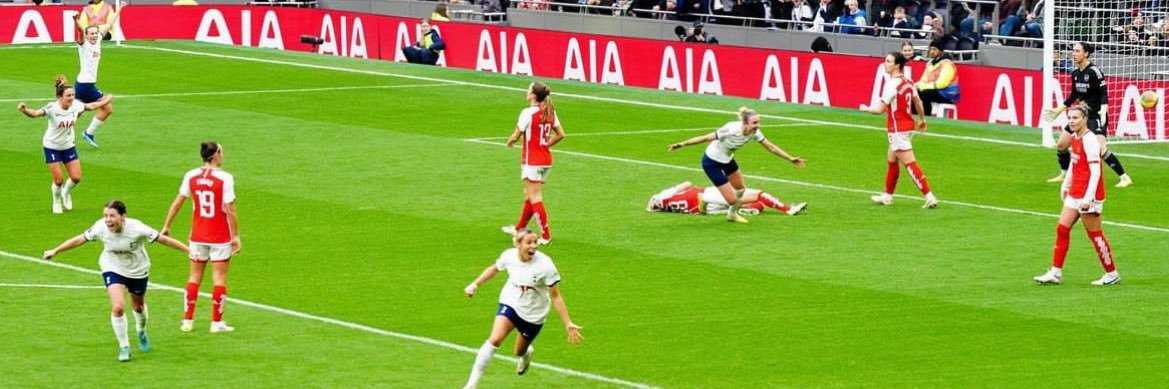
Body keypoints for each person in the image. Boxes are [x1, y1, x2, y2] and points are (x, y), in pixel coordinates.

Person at [42, 200, 191, 362]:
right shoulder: (100, 227)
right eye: (105, 215)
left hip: (137, 269)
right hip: (112, 267)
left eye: (112, 216)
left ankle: (141, 331)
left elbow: (164, 240)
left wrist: (188, 250)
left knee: (138, 307)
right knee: (118, 307)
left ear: (123, 217)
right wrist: (56, 250)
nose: (108, 220)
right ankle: (124, 346)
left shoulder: (137, 228)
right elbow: (80, 239)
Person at [461, 228, 584, 389]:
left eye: (535, 242)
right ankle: (471, 385)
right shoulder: (509, 256)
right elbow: (495, 269)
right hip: (511, 303)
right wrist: (475, 284)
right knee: (495, 339)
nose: (534, 246)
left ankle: (526, 354)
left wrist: (568, 323)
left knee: (519, 351)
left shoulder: (545, 265)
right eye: (529, 242)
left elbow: (555, 296)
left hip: (534, 314)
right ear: (518, 244)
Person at [668, 107, 807, 224]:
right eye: (754, 123)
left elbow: (770, 147)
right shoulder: (731, 129)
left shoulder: (755, 133)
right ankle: (705, 199)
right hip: (711, 162)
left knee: (740, 189)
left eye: (758, 122)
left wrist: (790, 158)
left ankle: (732, 214)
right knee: (732, 200)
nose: (757, 125)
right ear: (745, 123)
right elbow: (706, 138)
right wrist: (682, 144)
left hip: (727, 160)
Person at [1033, 104, 1120, 286]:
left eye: (1075, 118)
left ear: (1084, 119)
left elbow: (1096, 172)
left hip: (1089, 195)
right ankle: (1055, 273)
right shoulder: (1075, 137)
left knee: (1095, 235)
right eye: (1070, 118)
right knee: (1062, 229)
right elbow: (1075, 163)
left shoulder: (1090, 141)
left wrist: (1088, 199)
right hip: (1075, 192)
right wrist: (1066, 185)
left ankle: (1112, 273)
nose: (1071, 121)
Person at [161, 141, 241, 333]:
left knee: (194, 277)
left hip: (198, 234)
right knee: (219, 279)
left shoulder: (191, 175)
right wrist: (236, 235)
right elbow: (230, 209)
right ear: (216, 155)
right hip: (219, 235)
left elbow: (178, 202)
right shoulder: (225, 178)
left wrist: (167, 225)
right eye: (222, 152)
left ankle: (187, 321)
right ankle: (216, 323)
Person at [17, 76, 113, 214]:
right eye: (68, 95)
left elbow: (91, 106)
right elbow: (36, 113)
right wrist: (25, 110)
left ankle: (66, 192)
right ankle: (56, 201)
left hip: (68, 145)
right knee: (58, 180)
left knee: (76, 178)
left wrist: (105, 101)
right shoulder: (52, 108)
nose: (72, 98)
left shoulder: (76, 105)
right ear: (60, 97)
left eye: (73, 95)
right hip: (52, 146)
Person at [1042, 42, 1133, 188]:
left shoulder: (1094, 71)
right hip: (1081, 115)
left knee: (1101, 149)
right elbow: (1073, 95)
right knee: (1061, 145)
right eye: (1073, 51)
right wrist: (1058, 110)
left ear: (1086, 54)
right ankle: (1065, 174)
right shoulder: (1075, 73)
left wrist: (1104, 109)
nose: (1074, 54)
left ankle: (1124, 177)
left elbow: (1104, 92)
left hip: (1096, 115)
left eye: (1077, 51)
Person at [861, 52, 938, 208]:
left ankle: (930, 196)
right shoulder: (908, 81)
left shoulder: (892, 84)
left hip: (898, 129)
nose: (885, 63)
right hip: (907, 126)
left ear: (897, 65)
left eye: (889, 61)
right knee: (892, 159)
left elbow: (880, 110)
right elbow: (918, 101)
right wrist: (922, 119)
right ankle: (887, 196)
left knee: (910, 163)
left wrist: (865, 108)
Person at [501, 82, 565, 245]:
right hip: (545, 160)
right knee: (529, 195)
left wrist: (509, 141)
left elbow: (516, 135)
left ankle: (546, 236)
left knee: (535, 197)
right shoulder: (550, 112)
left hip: (532, 161)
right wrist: (545, 145)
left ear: (533, 96)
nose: (526, 92)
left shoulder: (528, 113)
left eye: (528, 90)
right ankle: (519, 228)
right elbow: (560, 134)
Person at [72, 1, 122, 149]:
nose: (94, 35)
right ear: (86, 36)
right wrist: (75, 20)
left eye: (95, 33)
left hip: (84, 84)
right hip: (85, 86)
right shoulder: (84, 45)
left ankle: (63, 133)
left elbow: (109, 23)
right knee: (107, 108)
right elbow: (80, 31)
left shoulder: (98, 39)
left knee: (76, 113)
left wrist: (120, 9)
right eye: (91, 34)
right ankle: (88, 133)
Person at [646, 181, 807, 216]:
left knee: (758, 205)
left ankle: (743, 210)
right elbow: (687, 183)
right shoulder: (665, 195)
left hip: (705, 210)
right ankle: (789, 209)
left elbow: (650, 208)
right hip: (707, 196)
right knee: (757, 194)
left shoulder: (664, 205)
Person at [914, 38, 960, 117]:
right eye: (930, 49)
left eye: (934, 49)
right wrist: (916, 85)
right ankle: (916, 117)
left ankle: (926, 117)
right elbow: (923, 80)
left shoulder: (947, 64)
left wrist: (924, 86)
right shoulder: (930, 63)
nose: (932, 51)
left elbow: (941, 84)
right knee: (915, 93)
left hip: (948, 93)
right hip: (936, 90)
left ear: (940, 51)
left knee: (925, 93)